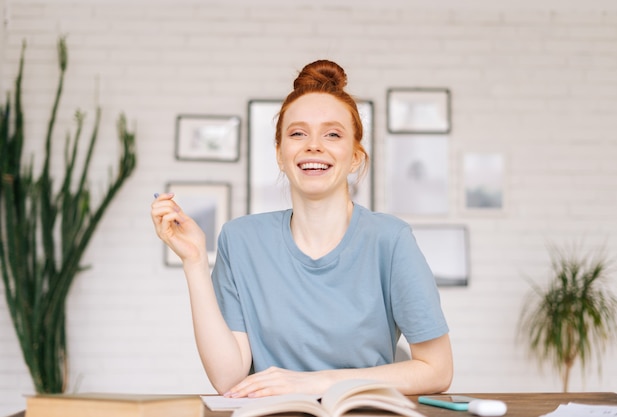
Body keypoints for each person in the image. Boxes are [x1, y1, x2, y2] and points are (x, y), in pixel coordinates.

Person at [151, 59, 453, 399]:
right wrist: (193, 262)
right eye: (297, 133)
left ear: (355, 156)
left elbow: (437, 369)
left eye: (333, 134)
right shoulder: (240, 240)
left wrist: (316, 383)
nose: (314, 145)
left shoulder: (391, 240)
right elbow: (228, 379)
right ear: (280, 153)